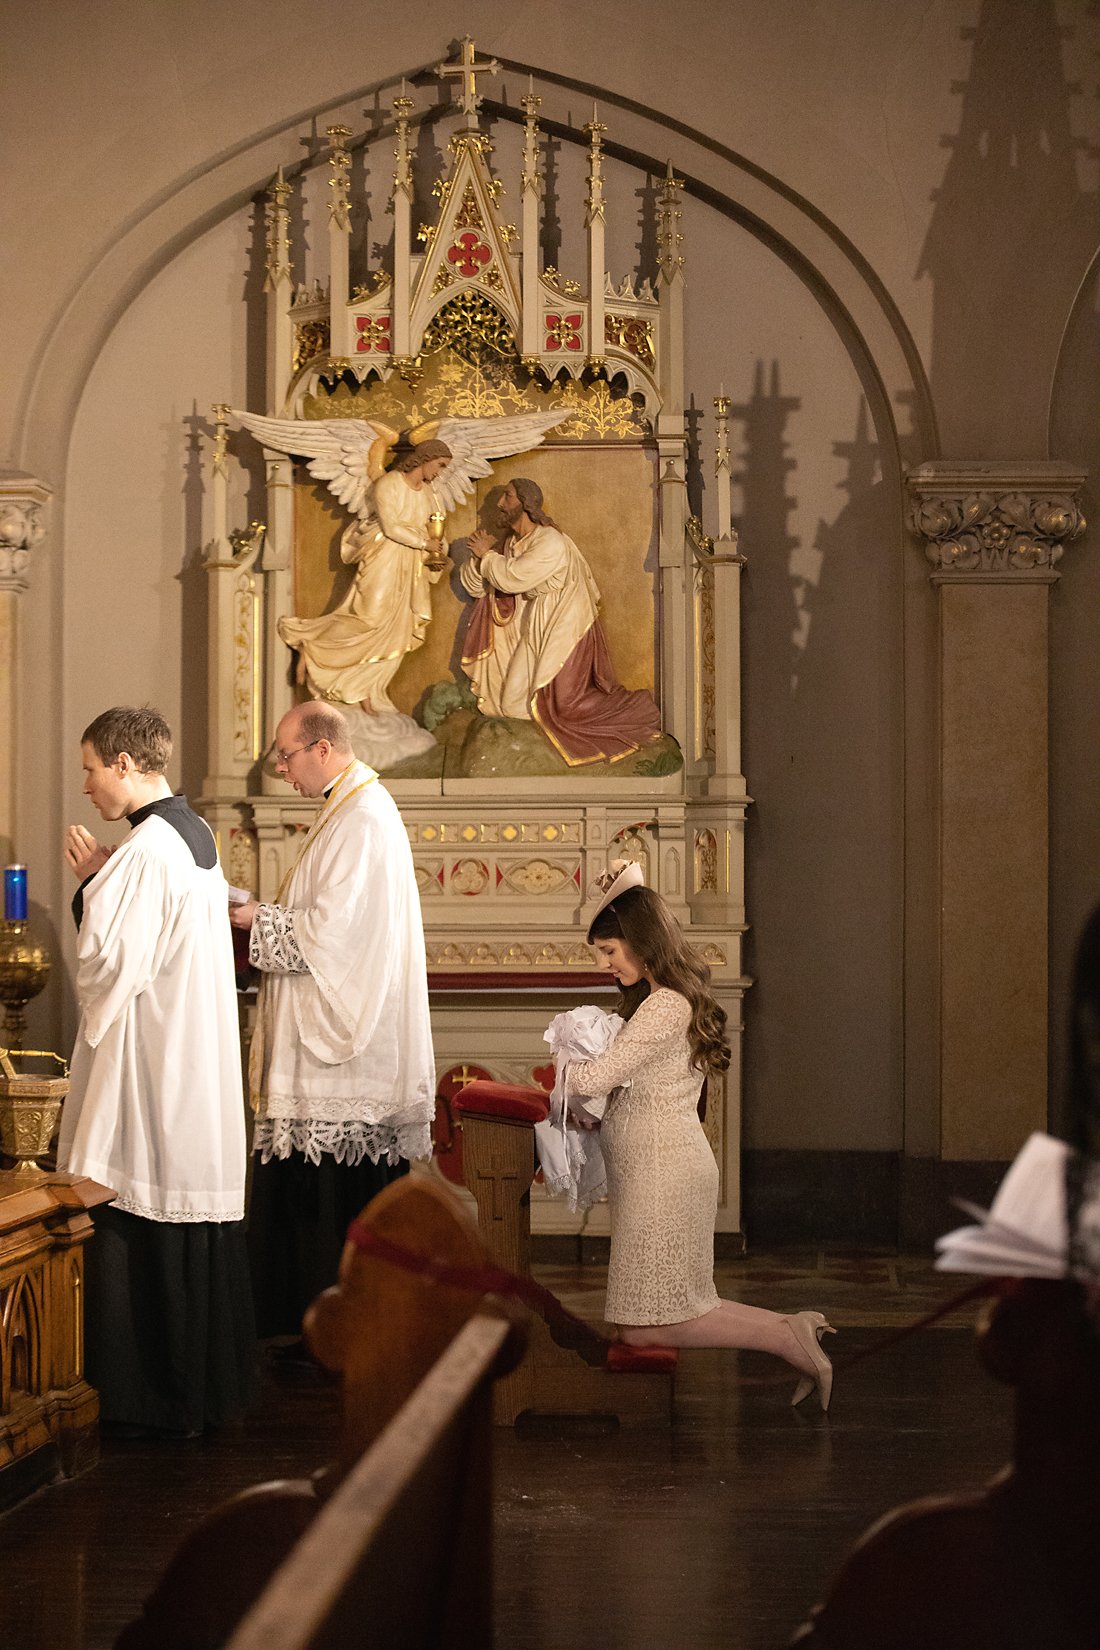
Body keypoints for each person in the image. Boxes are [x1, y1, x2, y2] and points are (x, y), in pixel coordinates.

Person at [564, 863, 836, 1408]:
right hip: (654, 1172)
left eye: (610, 951)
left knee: (648, 1325)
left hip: (664, 1174)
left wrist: (563, 1055)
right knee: (656, 1314)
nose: (603, 964)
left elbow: (591, 1080)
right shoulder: (655, 1000)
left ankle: (787, 1339)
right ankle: (791, 1330)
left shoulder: (665, 1005)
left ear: (642, 942)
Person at [58, 705, 254, 1435]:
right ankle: (194, 1396)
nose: (86, 786)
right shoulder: (191, 832)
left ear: (124, 764)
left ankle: (147, 1402)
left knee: (131, 1195)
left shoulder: (146, 851)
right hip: (187, 1057)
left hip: (152, 1065)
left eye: (91, 769)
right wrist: (104, 881)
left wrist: (90, 890)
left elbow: (108, 968)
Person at [229, 700, 436, 1339]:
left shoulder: (364, 816)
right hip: (328, 1054)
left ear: (322, 749)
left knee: (335, 1200)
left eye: (286, 756)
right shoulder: (345, 810)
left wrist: (254, 919)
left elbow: (333, 937)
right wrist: (262, 916)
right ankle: (314, 1326)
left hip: (342, 1061)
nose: (281, 769)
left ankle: (343, 1330)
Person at [459, 478, 662, 765]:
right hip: (536, 620)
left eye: (507, 496)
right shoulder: (512, 544)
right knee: (511, 703)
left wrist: (487, 556)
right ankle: (535, 751)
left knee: (565, 705)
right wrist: (479, 558)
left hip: (566, 621)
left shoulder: (550, 540)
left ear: (526, 504)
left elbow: (513, 577)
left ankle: (637, 710)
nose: (500, 504)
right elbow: (479, 587)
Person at [277, 440, 453, 714]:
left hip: (412, 566)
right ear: (426, 458)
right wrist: (424, 543)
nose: (440, 472)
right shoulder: (389, 484)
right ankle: (314, 648)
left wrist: (440, 546)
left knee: (399, 628)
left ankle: (366, 690)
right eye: (440, 465)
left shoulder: (429, 492)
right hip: (385, 556)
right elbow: (391, 527)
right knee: (368, 617)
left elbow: (434, 525)